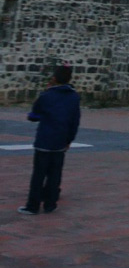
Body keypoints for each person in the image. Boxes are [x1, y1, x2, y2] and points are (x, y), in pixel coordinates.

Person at [19, 64, 81, 215]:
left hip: (44, 140)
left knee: (39, 174)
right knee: (55, 174)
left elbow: (33, 116)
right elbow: (75, 121)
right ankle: (50, 204)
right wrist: (69, 140)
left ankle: (33, 205)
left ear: (54, 78)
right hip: (60, 140)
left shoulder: (46, 96)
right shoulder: (74, 97)